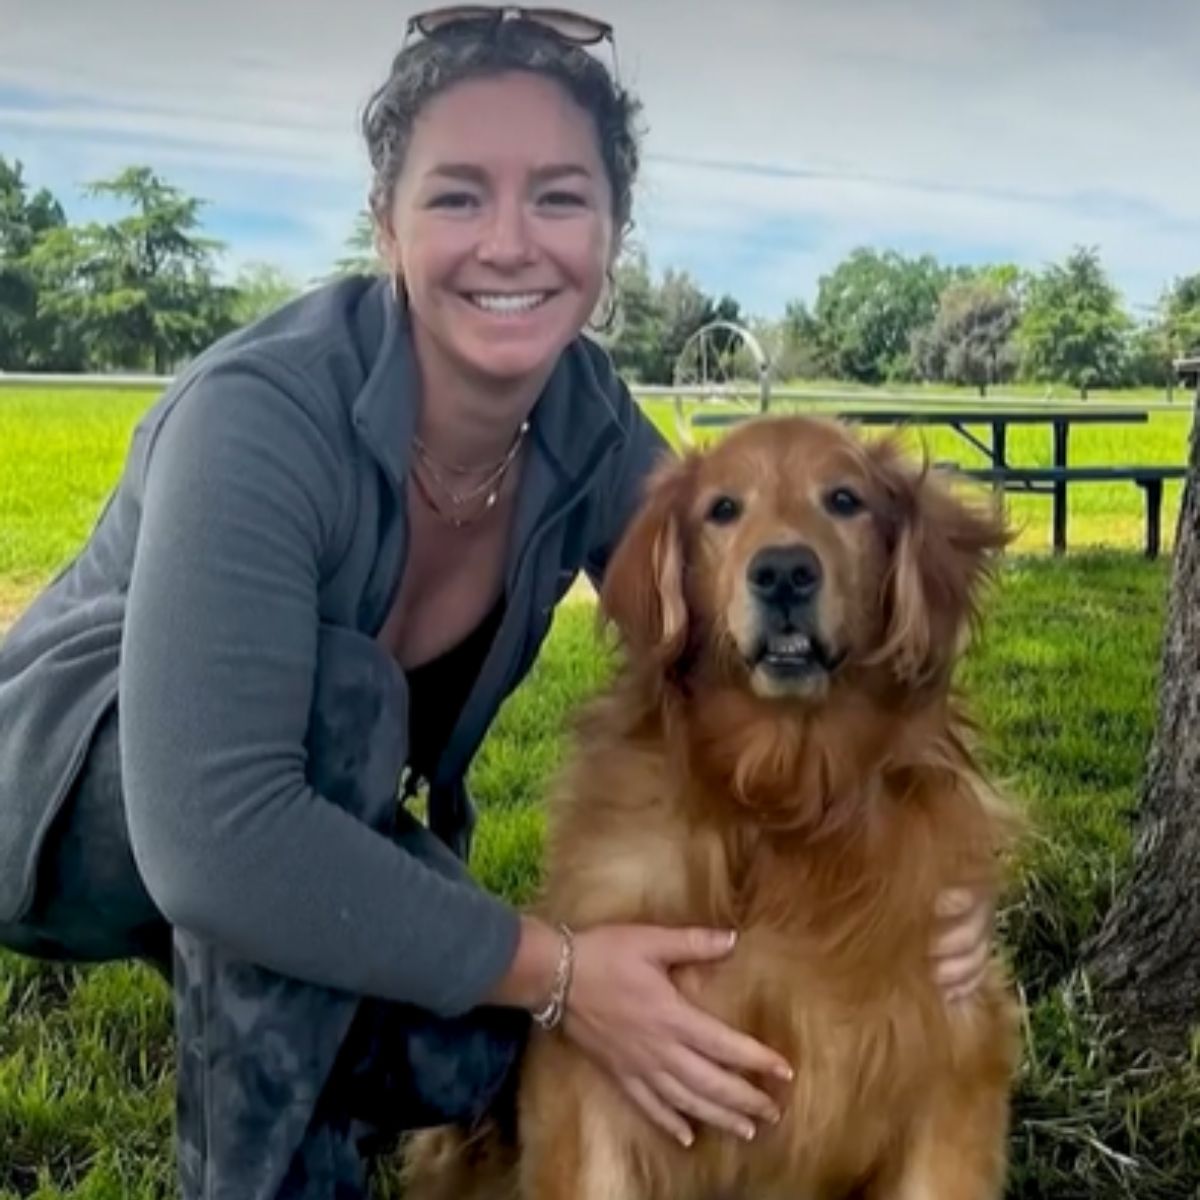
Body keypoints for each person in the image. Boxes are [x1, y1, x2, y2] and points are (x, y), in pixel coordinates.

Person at [0, 8, 994, 1198]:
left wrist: (923, 886)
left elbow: (752, 633)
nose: (511, 242)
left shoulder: (582, 422)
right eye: (460, 194)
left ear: (612, 234)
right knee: (341, 729)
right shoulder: (257, 417)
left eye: (561, 198)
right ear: (388, 226)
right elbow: (217, 834)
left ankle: (321, 1064)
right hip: (69, 812)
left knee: (483, 1044)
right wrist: (559, 966)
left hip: (282, 820)